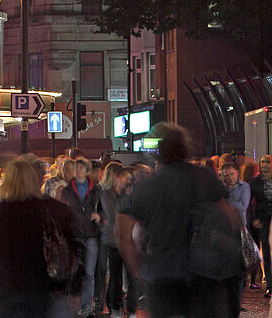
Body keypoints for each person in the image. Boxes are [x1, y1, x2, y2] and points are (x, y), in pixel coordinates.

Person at [117, 125, 236, 318]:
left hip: (161, 273)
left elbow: (123, 236)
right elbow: (228, 218)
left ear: (159, 154)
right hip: (203, 272)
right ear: (186, 150)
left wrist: (139, 271)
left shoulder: (148, 187)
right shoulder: (204, 178)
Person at [0, 154, 76, 317]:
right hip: (44, 286)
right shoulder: (51, 208)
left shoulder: (0, 211)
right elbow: (70, 246)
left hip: (8, 285)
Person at [61, 156, 101, 317]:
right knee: (74, 271)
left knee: (89, 272)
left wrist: (99, 216)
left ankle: (86, 306)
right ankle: (73, 305)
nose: (78, 171)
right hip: (74, 234)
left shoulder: (95, 190)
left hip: (90, 233)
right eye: (76, 168)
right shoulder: (67, 190)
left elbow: (103, 210)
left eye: (81, 168)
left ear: (87, 171)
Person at [96, 162, 130, 318]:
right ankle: (114, 306)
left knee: (126, 275)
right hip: (113, 238)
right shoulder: (106, 192)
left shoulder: (125, 191)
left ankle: (121, 305)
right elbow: (113, 213)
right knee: (115, 275)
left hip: (127, 238)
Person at [222, 161, 250, 311]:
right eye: (227, 176)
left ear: (237, 173)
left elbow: (243, 206)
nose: (230, 178)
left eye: (232, 174)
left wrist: (226, 204)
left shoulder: (244, 187)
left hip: (240, 229)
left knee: (240, 267)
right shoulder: (221, 188)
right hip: (224, 229)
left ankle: (237, 302)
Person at [250, 154, 272, 296]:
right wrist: (253, 219)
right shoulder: (255, 182)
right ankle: (270, 285)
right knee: (267, 252)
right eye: (262, 161)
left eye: (267, 162)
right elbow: (248, 202)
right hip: (263, 219)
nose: (264, 164)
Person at [241, 162, 261, 289]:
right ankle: (252, 280)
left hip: (247, 221)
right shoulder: (250, 187)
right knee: (254, 252)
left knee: (248, 253)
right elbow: (250, 205)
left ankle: (247, 280)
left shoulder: (245, 186)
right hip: (251, 221)